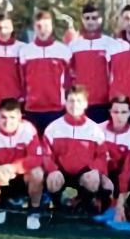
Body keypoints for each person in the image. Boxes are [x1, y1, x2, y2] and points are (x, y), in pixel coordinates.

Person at [0, 98, 44, 229]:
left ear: (19, 117)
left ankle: (34, 210)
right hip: (2, 180)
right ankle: (2, 206)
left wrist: (13, 168)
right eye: (3, 117)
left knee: (38, 173)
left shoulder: (28, 130)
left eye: (12, 117)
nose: (8, 122)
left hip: (23, 176)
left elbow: (36, 158)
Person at [43, 85, 108, 214]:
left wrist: (95, 169)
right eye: (71, 101)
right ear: (65, 103)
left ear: (85, 104)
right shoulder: (53, 127)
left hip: (83, 173)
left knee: (93, 179)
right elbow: (45, 155)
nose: (74, 105)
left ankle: (82, 206)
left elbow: (102, 156)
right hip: (61, 172)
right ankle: (58, 208)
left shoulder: (94, 129)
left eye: (78, 101)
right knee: (52, 179)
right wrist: (52, 170)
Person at [20, 10, 73, 134]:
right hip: (32, 109)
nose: (43, 30)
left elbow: (69, 81)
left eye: (46, 26)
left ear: (52, 27)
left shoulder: (63, 50)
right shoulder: (25, 51)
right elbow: (22, 80)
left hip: (56, 108)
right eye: (39, 26)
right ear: (34, 27)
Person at [68, 3, 119, 124]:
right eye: (87, 18)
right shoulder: (74, 46)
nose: (91, 22)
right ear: (82, 20)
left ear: (100, 20)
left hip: (104, 102)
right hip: (81, 104)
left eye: (94, 18)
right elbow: (70, 75)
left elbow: (117, 74)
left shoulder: (112, 44)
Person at [99, 96, 130, 213]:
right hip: (101, 174)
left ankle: (126, 204)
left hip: (120, 177)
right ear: (110, 112)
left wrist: (120, 204)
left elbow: (127, 170)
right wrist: (103, 177)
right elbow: (92, 159)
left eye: (123, 112)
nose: (119, 116)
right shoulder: (97, 129)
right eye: (115, 112)